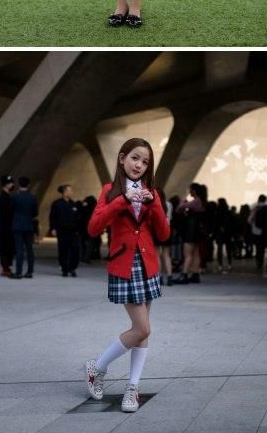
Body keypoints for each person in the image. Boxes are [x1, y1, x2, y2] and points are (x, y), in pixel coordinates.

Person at [85, 138, 169, 413]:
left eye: (145, 162)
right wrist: (122, 200)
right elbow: (94, 228)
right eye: (135, 158)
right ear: (122, 158)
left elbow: (165, 233)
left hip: (147, 265)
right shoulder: (110, 190)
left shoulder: (152, 192)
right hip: (124, 264)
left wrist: (154, 202)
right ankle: (97, 367)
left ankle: (132, 387)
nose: (139, 165)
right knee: (142, 328)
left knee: (143, 331)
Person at [175, 182, 205, 283]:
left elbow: (179, 208)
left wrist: (183, 199)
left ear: (194, 191)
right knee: (195, 252)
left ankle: (184, 275)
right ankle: (195, 274)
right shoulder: (200, 201)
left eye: (190, 190)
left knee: (187, 253)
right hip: (197, 230)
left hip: (191, 230)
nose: (189, 191)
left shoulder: (196, 201)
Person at [49, 184, 80, 277]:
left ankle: (72, 268)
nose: (71, 192)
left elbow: (78, 218)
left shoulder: (74, 204)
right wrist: (53, 228)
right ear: (65, 192)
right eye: (70, 190)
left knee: (75, 250)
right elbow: (52, 217)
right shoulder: (57, 204)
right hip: (62, 231)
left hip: (73, 232)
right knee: (63, 250)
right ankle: (65, 269)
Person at [10, 176, 37, 279]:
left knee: (19, 249)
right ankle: (30, 271)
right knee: (30, 249)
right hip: (28, 225)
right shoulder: (32, 197)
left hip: (17, 224)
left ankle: (18, 272)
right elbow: (35, 212)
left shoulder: (15, 197)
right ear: (28, 185)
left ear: (19, 184)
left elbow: (11, 210)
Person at [0, 175, 15, 277]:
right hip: (5, 226)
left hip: (8, 226)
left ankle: (7, 266)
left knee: (9, 247)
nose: (12, 184)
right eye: (11, 183)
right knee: (6, 247)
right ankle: (5, 267)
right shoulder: (3, 197)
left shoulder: (8, 196)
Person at [248, 194, 267, 269]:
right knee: (262, 248)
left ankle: (258, 261)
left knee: (257, 247)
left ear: (258, 199)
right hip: (265, 231)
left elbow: (249, 220)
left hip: (255, 231)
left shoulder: (255, 208)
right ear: (265, 200)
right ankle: (261, 261)